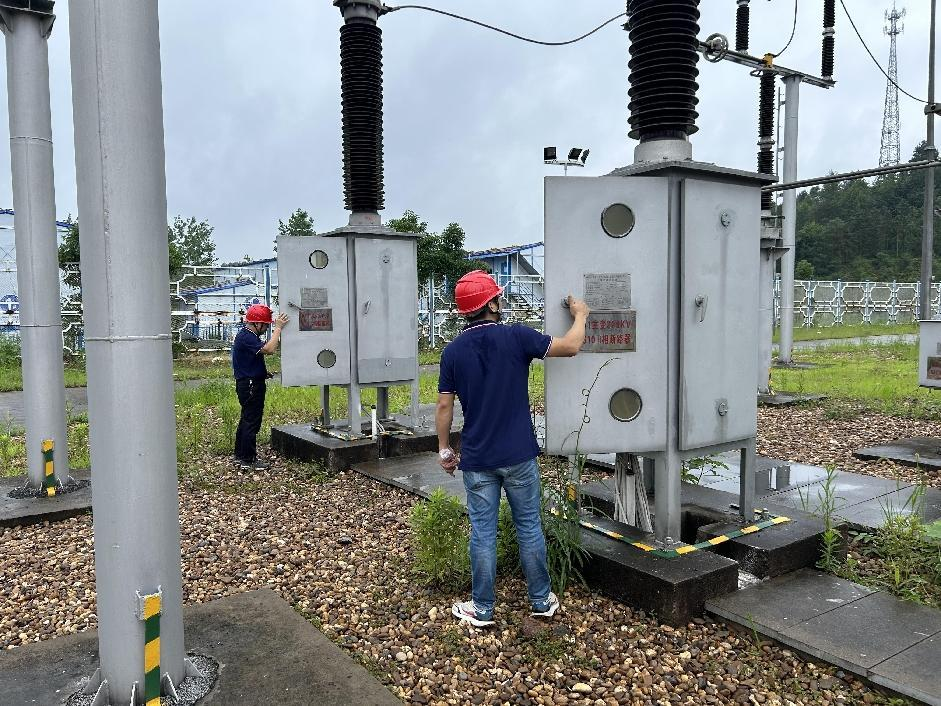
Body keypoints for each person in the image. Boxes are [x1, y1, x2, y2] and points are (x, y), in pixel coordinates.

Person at [436, 270, 589, 627]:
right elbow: (570, 346)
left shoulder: (453, 352)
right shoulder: (517, 337)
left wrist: (444, 449)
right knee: (529, 527)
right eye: (497, 297)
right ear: (490, 303)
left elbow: (444, 407)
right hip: (519, 454)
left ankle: (483, 609)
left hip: (477, 458)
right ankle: (540, 600)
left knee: (483, 532)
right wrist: (581, 315)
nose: (500, 301)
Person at [232, 304, 289, 470]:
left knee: (246, 419)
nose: (266, 328)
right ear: (257, 324)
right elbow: (269, 349)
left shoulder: (246, 335)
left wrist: (262, 372)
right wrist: (278, 328)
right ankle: (248, 460)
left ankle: (240, 455)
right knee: (251, 421)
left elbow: (249, 360)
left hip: (249, 382)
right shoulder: (247, 336)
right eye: (265, 325)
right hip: (250, 385)